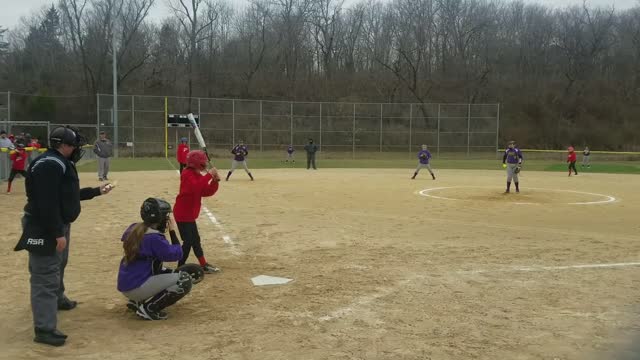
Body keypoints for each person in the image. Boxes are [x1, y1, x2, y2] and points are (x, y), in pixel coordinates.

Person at [14, 126, 113, 346]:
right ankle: (44, 329)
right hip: (45, 226)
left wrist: (96, 191)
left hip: (56, 223)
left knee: (59, 264)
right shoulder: (50, 164)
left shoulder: (57, 161)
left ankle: (57, 299)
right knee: (45, 274)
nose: (76, 149)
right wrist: (57, 232)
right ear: (64, 146)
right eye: (74, 146)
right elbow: (46, 202)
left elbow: (66, 196)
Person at [118, 198, 192, 321]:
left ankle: (137, 302)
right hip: (136, 287)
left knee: (164, 270)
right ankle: (149, 308)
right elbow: (177, 254)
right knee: (184, 279)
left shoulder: (134, 228)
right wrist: (172, 231)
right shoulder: (154, 238)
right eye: (166, 216)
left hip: (129, 282)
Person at [174, 150, 221, 274]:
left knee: (195, 240)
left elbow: (205, 191)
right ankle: (180, 267)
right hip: (183, 213)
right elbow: (195, 187)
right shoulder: (187, 173)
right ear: (196, 163)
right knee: (188, 241)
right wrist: (209, 175)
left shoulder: (197, 174)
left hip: (189, 214)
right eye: (203, 161)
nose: (205, 163)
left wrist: (215, 182)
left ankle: (203, 264)